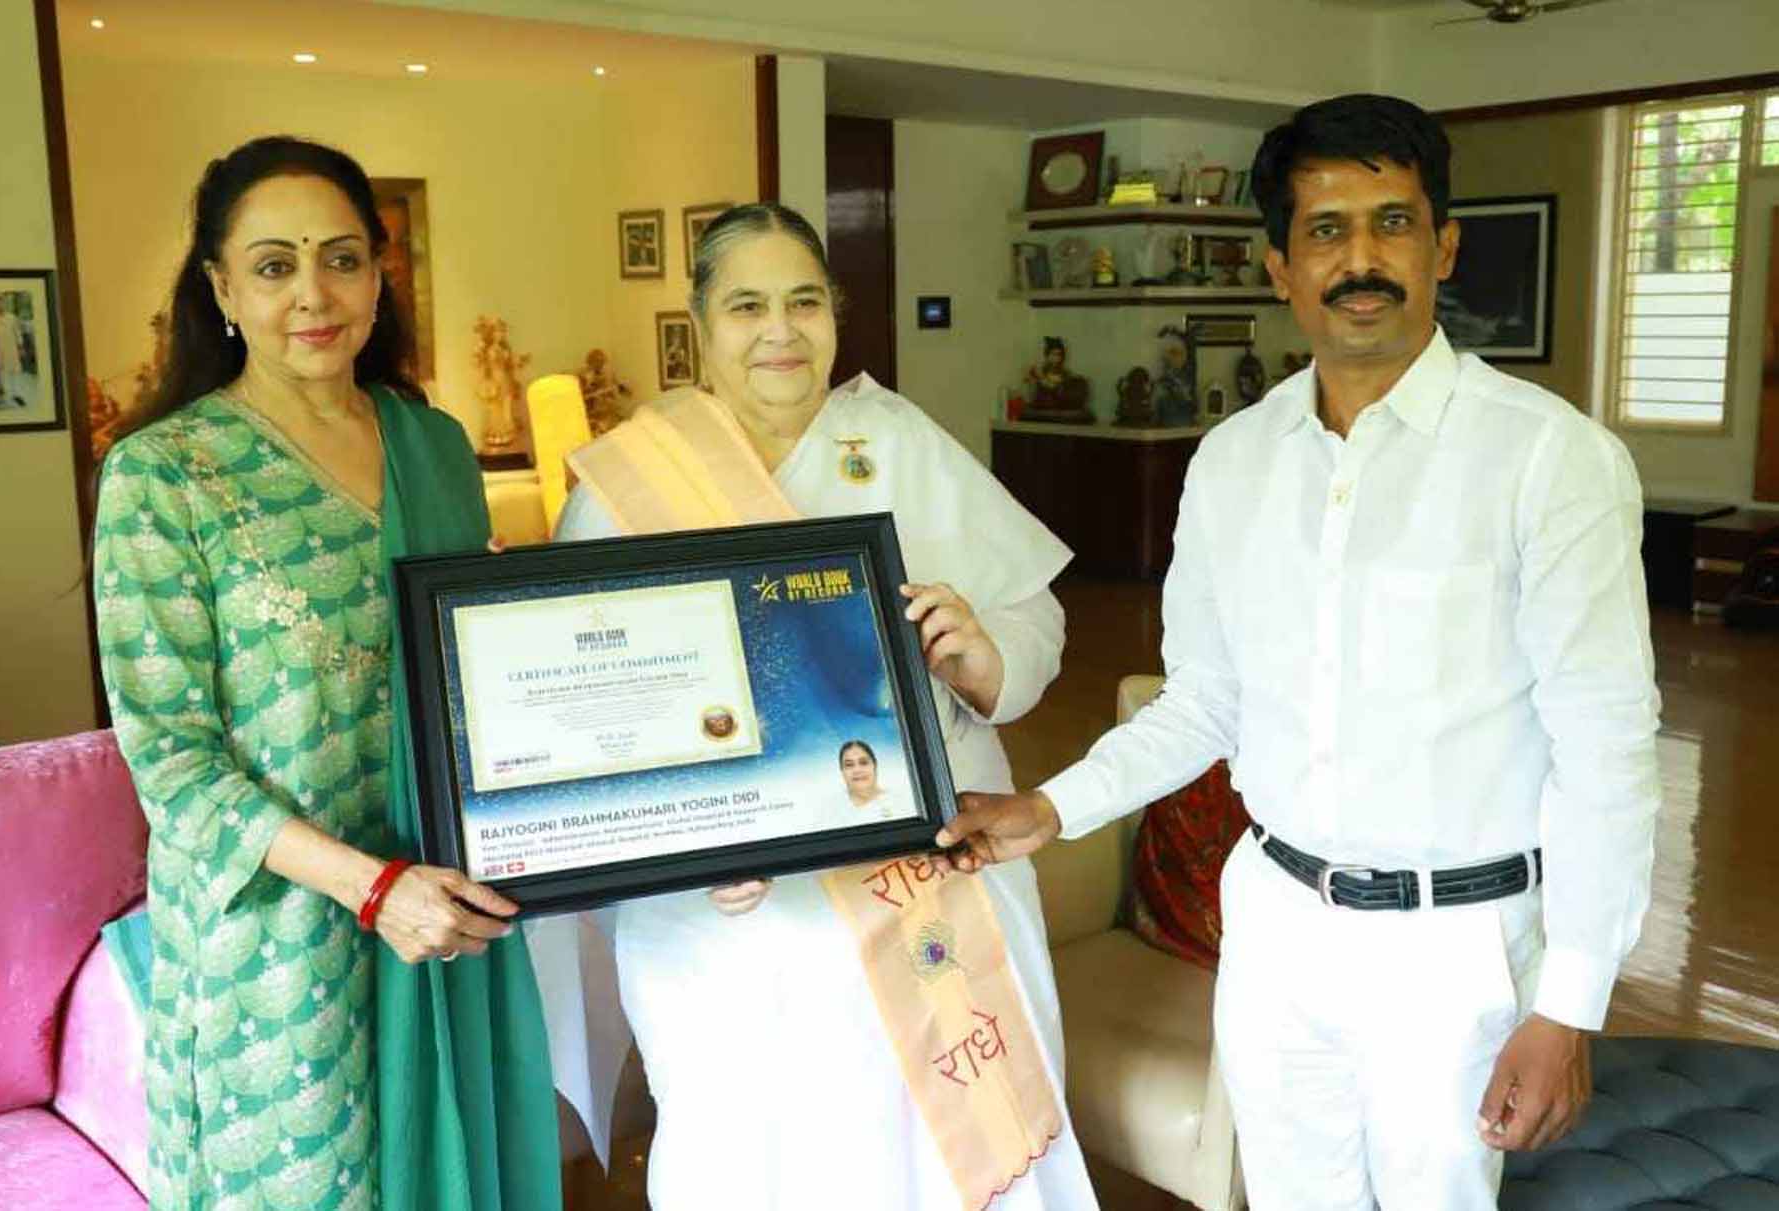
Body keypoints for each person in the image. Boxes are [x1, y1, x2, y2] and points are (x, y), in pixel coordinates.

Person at [941, 93, 1661, 1210]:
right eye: (1326, 230)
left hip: (1450, 947)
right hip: (1273, 923)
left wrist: (1567, 1001)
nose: (1359, 259)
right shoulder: (1231, 461)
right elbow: (1203, 703)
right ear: (1278, 266)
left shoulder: (1547, 461)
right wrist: (1052, 806)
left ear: (1442, 246)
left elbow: (1606, 751)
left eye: (1392, 222)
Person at [534, 203, 1099, 1210]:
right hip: (723, 917)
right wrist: (683, 846)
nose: (779, 330)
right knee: (757, 1152)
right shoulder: (629, 480)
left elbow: (1035, 629)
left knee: (929, 1156)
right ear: (699, 322)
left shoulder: (894, 438)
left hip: (928, 870)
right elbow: (586, 714)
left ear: (835, 312)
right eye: (746, 304)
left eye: (803, 300)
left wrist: (984, 654)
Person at [92, 135, 561, 1211]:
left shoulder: (434, 444)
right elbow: (169, 758)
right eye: (272, 264)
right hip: (285, 933)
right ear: (219, 287)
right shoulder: (166, 472)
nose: (313, 292)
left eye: (342, 258)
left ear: (380, 272)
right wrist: (368, 886)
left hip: (450, 898)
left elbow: (465, 676)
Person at [838, 739, 902, 820]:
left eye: (863, 763)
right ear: (842, 770)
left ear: (875, 766)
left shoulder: (898, 803)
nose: (857, 770)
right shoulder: (833, 809)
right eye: (849, 765)